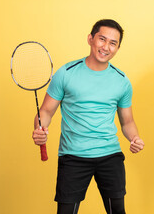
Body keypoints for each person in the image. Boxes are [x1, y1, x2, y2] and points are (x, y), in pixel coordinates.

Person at [32, 19, 145, 214]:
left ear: (118, 48)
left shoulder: (122, 81)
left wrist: (134, 138)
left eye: (113, 43)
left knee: (117, 211)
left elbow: (128, 122)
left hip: (110, 155)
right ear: (90, 39)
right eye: (102, 39)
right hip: (73, 156)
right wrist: (39, 128)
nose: (106, 47)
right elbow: (46, 111)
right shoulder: (66, 73)